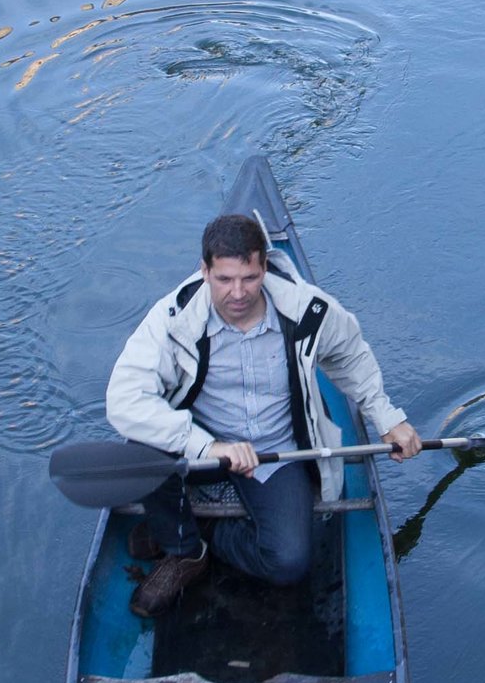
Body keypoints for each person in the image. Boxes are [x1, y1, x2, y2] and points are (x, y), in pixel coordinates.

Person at [106, 204, 422, 617]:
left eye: (249, 278)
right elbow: (124, 399)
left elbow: (349, 355)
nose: (237, 293)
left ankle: (207, 527)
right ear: (204, 271)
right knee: (141, 446)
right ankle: (185, 549)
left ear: (265, 268)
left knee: (289, 561)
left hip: (276, 453)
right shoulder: (171, 319)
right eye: (224, 279)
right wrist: (207, 446)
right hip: (202, 446)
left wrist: (387, 417)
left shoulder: (307, 309)